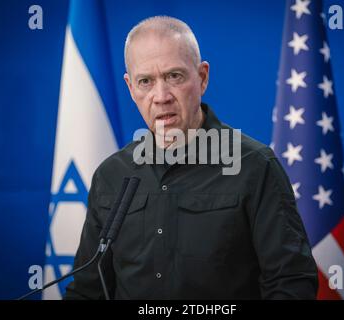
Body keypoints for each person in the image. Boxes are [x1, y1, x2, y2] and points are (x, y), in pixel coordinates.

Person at [64, 15, 318, 300]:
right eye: (146, 81)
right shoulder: (111, 175)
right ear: (131, 88)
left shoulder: (255, 167)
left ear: (202, 77)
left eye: (174, 76)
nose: (161, 96)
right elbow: (87, 291)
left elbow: (292, 283)